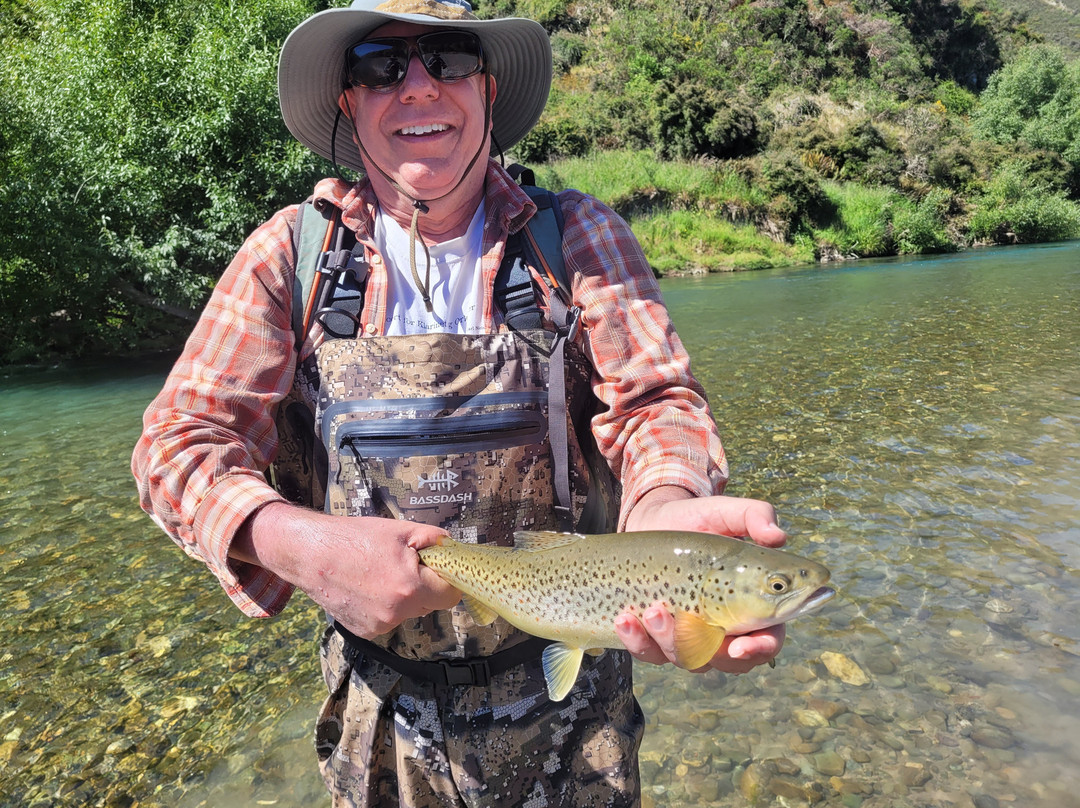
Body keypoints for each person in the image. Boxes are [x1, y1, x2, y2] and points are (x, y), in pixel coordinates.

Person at [132, 0, 786, 805]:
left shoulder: (577, 239)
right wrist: (297, 544)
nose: (416, 87)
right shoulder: (289, 257)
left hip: (577, 725)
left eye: (445, 60)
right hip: (379, 721)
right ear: (349, 101)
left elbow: (657, 405)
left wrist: (665, 506)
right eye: (380, 65)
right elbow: (176, 445)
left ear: (485, 88)